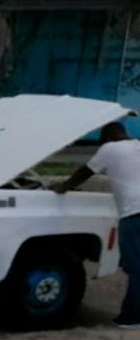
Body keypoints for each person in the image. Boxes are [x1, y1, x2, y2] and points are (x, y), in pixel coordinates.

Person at [56, 121, 140, 328]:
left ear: (106, 138)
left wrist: (63, 187)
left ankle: (132, 319)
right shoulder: (137, 145)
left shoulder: (109, 148)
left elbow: (85, 172)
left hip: (134, 213)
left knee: (136, 267)